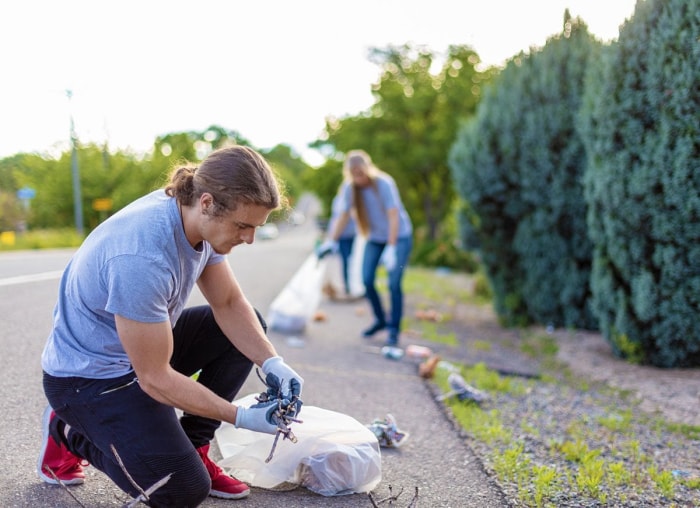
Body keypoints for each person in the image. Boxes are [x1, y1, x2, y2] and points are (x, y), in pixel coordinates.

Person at [38, 145, 305, 507]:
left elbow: (228, 303)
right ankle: (68, 430)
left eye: (256, 227)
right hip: (88, 381)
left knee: (245, 327)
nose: (249, 238)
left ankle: (194, 447)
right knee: (179, 490)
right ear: (207, 202)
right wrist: (241, 417)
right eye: (243, 226)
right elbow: (155, 378)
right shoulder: (140, 256)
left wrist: (272, 362)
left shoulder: (198, 215)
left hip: (138, 354)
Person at [321, 149, 413, 346]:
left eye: (361, 173)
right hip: (375, 238)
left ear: (368, 168)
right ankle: (380, 320)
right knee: (367, 280)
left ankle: (394, 329)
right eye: (354, 174)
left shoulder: (384, 183)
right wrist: (331, 240)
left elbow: (393, 214)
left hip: (399, 237)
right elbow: (343, 216)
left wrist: (391, 246)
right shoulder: (350, 188)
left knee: (394, 283)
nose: (359, 178)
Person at [327, 190, 357, 296]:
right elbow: (336, 218)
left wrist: (333, 238)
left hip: (351, 234)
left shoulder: (353, 199)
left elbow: (344, 217)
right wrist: (332, 236)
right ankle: (349, 286)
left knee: (351, 261)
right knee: (346, 261)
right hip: (342, 235)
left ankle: (352, 286)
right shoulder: (338, 199)